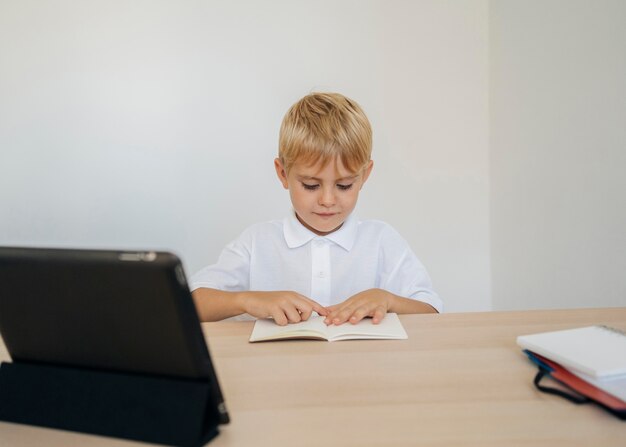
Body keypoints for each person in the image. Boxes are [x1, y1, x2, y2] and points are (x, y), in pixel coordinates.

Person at [191, 92, 442, 326]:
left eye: (344, 185)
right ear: (283, 174)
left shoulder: (381, 241)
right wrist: (247, 300)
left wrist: (389, 300)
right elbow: (193, 302)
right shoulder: (257, 242)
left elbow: (431, 311)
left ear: (364, 176)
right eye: (311, 185)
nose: (328, 200)